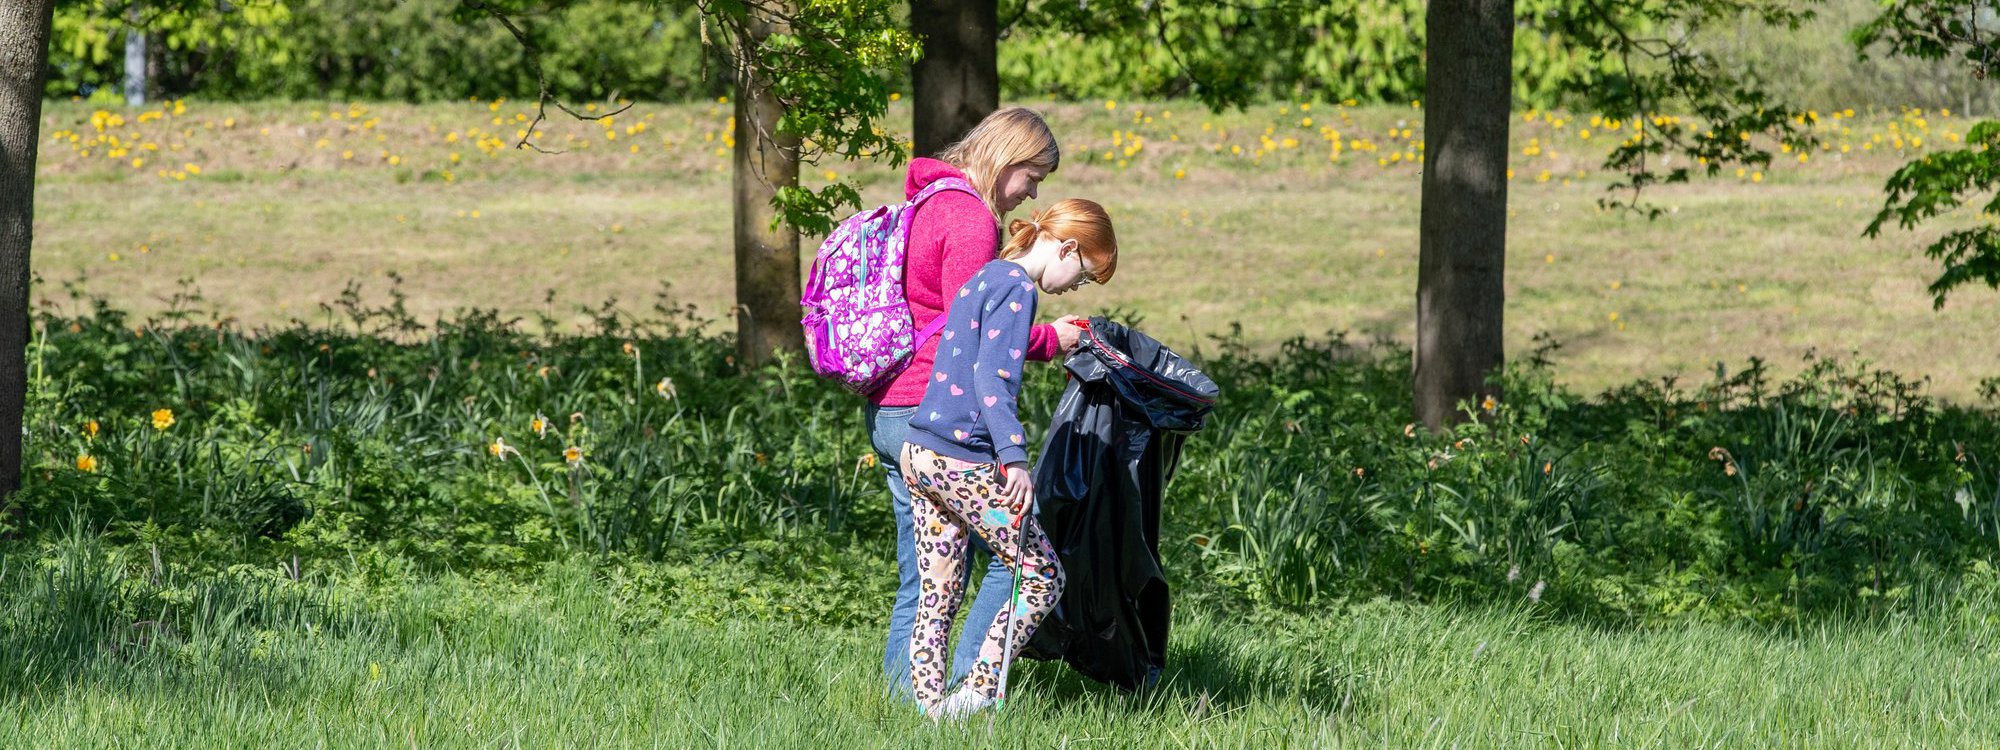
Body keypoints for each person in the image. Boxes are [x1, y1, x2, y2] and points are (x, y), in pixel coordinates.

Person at [863, 107, 1083, 699]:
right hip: (933, 412)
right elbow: (978, 332)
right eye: (1032, 177)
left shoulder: (931, 199)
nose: (1031, 193)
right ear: (1008, 158)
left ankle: (908, 706)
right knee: (1020, 556)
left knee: (926, 575)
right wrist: (1050, 341)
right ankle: (969, 690)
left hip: (889, 407)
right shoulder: (969, 219)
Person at [901, 198, 1119, 719]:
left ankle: (930, 714)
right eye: (1082, 274)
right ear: (1067, 248)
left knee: (939, 593)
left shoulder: (987, 275)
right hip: (963, 460)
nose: (1072, 287)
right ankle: (975, 695)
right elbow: (992, 379)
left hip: (921, 452)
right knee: (1043, 576)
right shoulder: (1018, 288)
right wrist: (1013, 458)